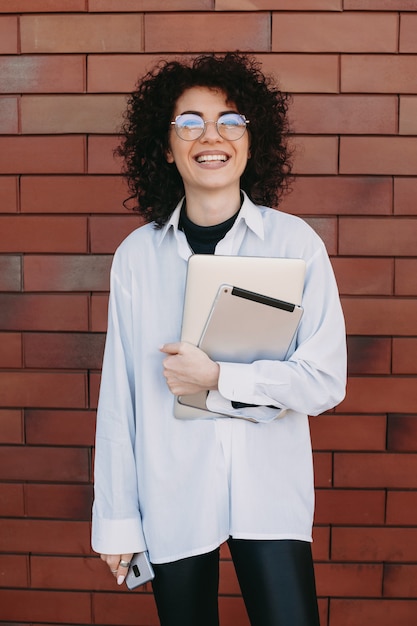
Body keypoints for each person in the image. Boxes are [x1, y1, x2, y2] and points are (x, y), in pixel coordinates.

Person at [91, 52, 347, 626]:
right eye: (190, 123)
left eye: (229, 121)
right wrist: (116, 521)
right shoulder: (137, 258)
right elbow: (120, 400)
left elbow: (326, 379)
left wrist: (220, 379)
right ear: (165, 145)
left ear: (252, 141)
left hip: (270, 494)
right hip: (171, 494)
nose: (212, 136)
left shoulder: (294, 243)